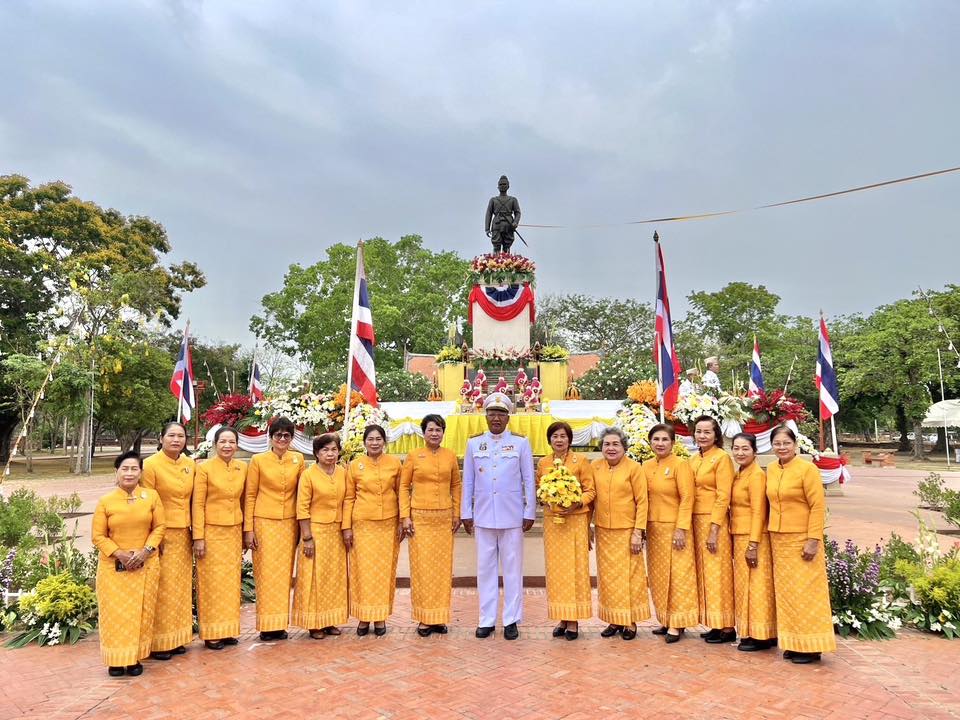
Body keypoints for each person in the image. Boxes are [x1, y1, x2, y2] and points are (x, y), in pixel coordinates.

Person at [461, 392, 535, 640]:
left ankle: (512, 619)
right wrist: (466, 513)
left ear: (508, 418)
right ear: (485, 416)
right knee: (485, 570)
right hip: (483, 516)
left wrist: (529, 511)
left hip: (512, 516)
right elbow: (468, 481)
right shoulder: (474, 444)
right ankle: (487, 619)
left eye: (501, 414)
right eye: (492, 413)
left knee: (513, 570)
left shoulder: (520, 443)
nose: (496, 418)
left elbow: (528, 479)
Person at [766, 424, 836, 664]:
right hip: (778, 538)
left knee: (806, 591)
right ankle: (794, 642)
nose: (782, 447)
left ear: (795, 445)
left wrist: (813, 539)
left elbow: (817, 506)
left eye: (786, 443)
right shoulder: (772, 469)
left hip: (802, 538)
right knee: (787, 593)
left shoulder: (807, 470)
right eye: (777, 443)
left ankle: (812, 646)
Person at [92, 451, 165, 677]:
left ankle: (134, 658)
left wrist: (146, 551)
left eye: (134, 469)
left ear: (141, 472)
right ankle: (116, 659)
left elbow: (159, 527)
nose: (130, 473)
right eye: (125, 468)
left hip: (145, 564)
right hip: (114, 569)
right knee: (116, 613)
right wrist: (120, 554)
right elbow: (98, 536)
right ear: (117, 472)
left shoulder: (151, 497)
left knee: (141, 612)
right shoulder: (106, 501)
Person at [400, 414, 462, 637]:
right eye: (430, 430)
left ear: (443, 433)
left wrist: (457, 513)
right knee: (422, 569)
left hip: (444, 519)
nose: (434, 433)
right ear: (423, 432)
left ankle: (439, 617)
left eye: (438, 430)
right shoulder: (414, 456)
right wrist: (405, 516)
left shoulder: (450, 456)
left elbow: (456, 485)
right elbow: (403, 487)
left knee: (442, 570)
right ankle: (424, 618)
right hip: (420, 520)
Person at [243, 416, 304, 641]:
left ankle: (279, 624)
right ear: (270, 437)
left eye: (286, 435)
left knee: (283, 574)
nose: (282, 439)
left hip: (288, 523)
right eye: (278, 435)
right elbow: (250, 495)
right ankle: (266, 625)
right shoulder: (258, 460)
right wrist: (248, 529)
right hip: (264, 522)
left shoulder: (297, 459)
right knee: (266, 573)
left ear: (291, 438)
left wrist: (301, 527)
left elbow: (302, 494)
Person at [536, 421, 595, 641]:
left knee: (575, 569)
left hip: (575, 520)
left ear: (569, 439)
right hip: (554, 523)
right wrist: (547, 497)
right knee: (557, 571)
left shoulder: (581, 461)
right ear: (549, 440)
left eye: (563, 436)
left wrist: (576, 502)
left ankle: (574, 620)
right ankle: (562, 616)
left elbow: (590, 490)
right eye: (555, 436)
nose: (559, 440)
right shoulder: (544, 463)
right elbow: (538, 489)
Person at [141, 421, 195, 660]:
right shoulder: (150, 465)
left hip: (185, 532)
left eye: (180, 436)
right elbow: (148, 502)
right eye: (171, 435)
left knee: (181, 586)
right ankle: (160, 642)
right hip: (162, 533)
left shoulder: (190, 464)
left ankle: (178, 637)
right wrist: (155, 535)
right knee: (163, 586)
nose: (176, 440)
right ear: (161, 438)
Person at [342, 424, 402, 636]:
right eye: (370, 439)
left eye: (378, 439)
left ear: (384, 441)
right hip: (362, 525)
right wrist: (346, 527)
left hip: (388, 523)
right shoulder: (355, 465)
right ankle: (363, 617)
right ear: (364, 442)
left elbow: (401, 492)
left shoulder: (394, 464)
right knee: (362, 571)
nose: (374, 443)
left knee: (384, 571)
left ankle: (380, 617)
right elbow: (349, 498)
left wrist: (403, 520)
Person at [591, 427, 650, 640]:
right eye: (607, 444)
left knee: (629, 577)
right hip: (603, 531)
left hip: (627, 531)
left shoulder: (634, 469)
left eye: (616, 444)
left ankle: (630, 621)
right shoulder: (595, 467)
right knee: (608, 578)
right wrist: (589, 526)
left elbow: (642, 502)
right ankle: (614, 619)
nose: (611, 448)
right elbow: (591, 498)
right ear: (601, 447)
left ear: (624, 446)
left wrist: (637, 532)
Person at [642, 423, 698, 643]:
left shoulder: (680, 465)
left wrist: (682, 528)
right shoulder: (645, 466)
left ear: (673, 443)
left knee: (678, 576)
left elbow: (687, 498)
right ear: (650, 442)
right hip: (654, 529)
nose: (660, 443)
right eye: (656, 439)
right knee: (659, 577)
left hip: (675, 529)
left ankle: (677, 622)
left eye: (665, 439)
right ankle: (665, 618)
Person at [192, 426, 246, 650]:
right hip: (211, 531)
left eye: (231, 442)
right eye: (223, 441)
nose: (227, 446)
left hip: (233, 530)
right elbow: (197, 503)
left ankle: (228, 629)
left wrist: (245, 532)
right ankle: (213, 632)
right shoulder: (204, 469)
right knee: (211, 582)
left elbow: (244, 499)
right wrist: (198, 537)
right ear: (215, 444)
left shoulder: (242, 467)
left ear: (237, 445)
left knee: (231, 581)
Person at [292, 433, 349, 639]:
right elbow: (302, 507)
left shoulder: (343, 472)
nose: (330, 454)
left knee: (333, 576)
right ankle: (314, 623)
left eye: (334, 449)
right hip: (315, 532)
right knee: (314, 577)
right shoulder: (309, 475)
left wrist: (346, 528)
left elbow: (348, 500)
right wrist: (307, 537)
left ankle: (330, 619)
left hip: (336, 532)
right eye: (325, 450)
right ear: (316, 453)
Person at [689, 415, 736, 643]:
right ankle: (714, 622)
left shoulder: (721, 459)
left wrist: (715, 528)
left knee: (719, 573)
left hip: (713, 522)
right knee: (706, 573)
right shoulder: (694, 459)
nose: (702, 436)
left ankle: (727, 626)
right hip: (696, 521)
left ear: (716, 435)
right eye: (699, 431)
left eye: (707, 432)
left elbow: (723, 496)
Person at [729, 432, 777, 651]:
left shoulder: (756, 475)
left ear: (755, 451)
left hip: (752, 536)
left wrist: (753, 544)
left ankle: (762, 635)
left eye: (745, 449)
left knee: (757, 586)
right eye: (736, 448)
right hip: (739, 534)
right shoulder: (740, 473)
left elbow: (759, 512)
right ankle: (750, 631)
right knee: (745, 586)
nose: (740, 453)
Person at [484, 175, 522, 253]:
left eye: (504, 184)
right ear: (498, 187)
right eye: (501, 184)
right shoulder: (493, 200)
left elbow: (517, 213)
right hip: (496, 224)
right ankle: (495, 263)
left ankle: (507, 263)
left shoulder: (513, 200)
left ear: (508, 186)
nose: (502, 186)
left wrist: (515, 222)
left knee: (507, 246)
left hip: (509, 224)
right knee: (496, 245)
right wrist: (487, 228)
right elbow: (488, 214)